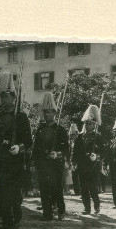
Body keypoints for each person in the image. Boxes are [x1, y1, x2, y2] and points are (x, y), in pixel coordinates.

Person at [0, 72, 32, 229]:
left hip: (15, 162)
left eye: (8, 96)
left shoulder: (21, 117)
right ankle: (6, 221)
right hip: (0, 160)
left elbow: (28, 141)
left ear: (14, 97)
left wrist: (19, 147)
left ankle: (17, 217)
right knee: (2, 193)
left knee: (14, 194)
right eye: (2, 97)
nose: (5, 99)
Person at [32, 92, 69, 221]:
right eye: (45, 112)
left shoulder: (60, 130)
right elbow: (35, 147)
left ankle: (61, 211)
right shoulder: (40, 129)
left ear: (54, 113)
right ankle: (47, 214)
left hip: (55, 164)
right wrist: (34, 162)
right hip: (43, 163)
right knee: (44, 189)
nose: (47, 114)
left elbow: (66, 149)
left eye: (50, 112)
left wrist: (57, 153)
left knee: (56, 188)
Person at [72, 104, 103, 215]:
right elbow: (75, 151)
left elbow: (103, 152)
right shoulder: (80, 137)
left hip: (93, 166)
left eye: (90, 123)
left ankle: (96, 205)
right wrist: (73, 162)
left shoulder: (98, 137)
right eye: (86, 123)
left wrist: (97, 157)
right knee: (84, 188)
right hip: (82, 165)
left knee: (93, 188)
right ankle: (87, 208)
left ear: (94, 124)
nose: (87, 125)